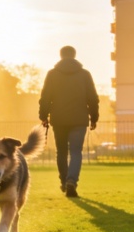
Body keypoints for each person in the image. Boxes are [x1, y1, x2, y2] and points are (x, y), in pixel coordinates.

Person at [38, 45, 100, 198]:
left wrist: (43, 116)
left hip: (59, 119)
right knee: (76, 152)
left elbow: (45, 97)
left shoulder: (52, 74)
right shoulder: (85, 74)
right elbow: (93, 98)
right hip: (79, 119)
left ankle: (64, 182)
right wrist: (94, 117)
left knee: (61, 152)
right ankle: (72, 181)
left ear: (61, 56)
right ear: (74, 55)